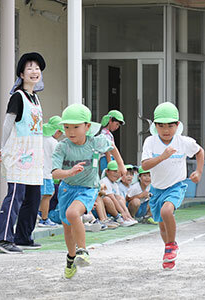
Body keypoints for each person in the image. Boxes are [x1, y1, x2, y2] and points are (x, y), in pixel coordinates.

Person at [51, 103, 127, 279]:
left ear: (87, 127)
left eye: (76, 127)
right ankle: (71, 258)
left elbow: (112, 146)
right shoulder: (62, 147)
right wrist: (69, 172)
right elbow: (55, 172)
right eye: (67, 127)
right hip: (66, 189)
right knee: (68, 228)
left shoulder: (95, 142)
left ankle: (83, 251)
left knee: (72, 214)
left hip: (88, 188)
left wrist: (121, 164)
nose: (71, 131)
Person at [0, 52, 46, 254]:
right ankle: (3, 238)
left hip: (34, 156)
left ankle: (23, 236)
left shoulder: (36, 98)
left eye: (37, 68)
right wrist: (3, 149)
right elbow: (7, 125)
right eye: (30, 68)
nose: (35, 71)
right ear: (21, 74)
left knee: (33, 198)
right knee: (15, 196)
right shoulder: (18, 96)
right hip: (18, 154)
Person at [141, 102, 204, 270]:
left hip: (176, 186)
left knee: (166, 211)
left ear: (177, 125)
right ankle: (169, 250)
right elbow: (145, 166)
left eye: (170, 125)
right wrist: (162, 157)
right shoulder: (150, 141)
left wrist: (198, 171)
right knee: (161, 225)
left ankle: (171, 246)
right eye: (161, 126)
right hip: (156, 189)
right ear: (155, 126)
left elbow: (199, 151)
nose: (166, 130)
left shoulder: (183, 141)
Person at [38, 116, 64, 227]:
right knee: (47, 195)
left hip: (38, 172)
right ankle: (44, 219)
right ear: (57, 131)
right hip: (47, 173)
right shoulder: (53, 142)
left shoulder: (41, 138)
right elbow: (59, 158)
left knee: (46, 194)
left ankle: (39, 213)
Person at [99, 160, 137, 227]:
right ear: (107, 172)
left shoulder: (115, 184)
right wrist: (122, 213)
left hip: (111, 207)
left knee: (121, 198)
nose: (117, 174)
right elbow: (113, 198)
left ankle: (128, 217)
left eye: (119, 172)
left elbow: (118, 198)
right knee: (107, 199)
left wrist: (126, 213)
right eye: (114, 171)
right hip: (100, 208)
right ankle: (118, 218)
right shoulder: (105, 181)